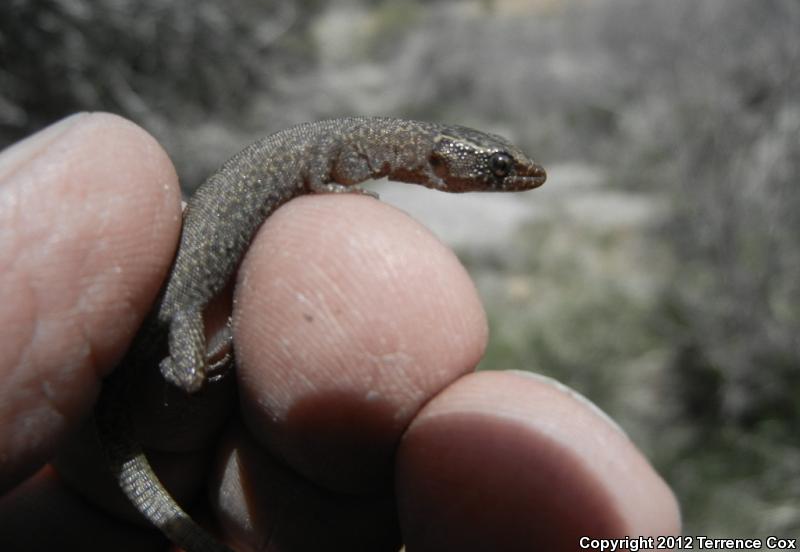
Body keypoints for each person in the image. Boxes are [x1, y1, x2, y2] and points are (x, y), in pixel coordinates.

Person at [0, 113, 679, 551]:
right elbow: (321, 162)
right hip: (173, 313)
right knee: (184, 371)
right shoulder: (367, 150)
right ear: (444, 164)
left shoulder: (382, 148)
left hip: (164, 342)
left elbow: (323, 161)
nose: (512, 179)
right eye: (497, 171)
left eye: (501, 169)